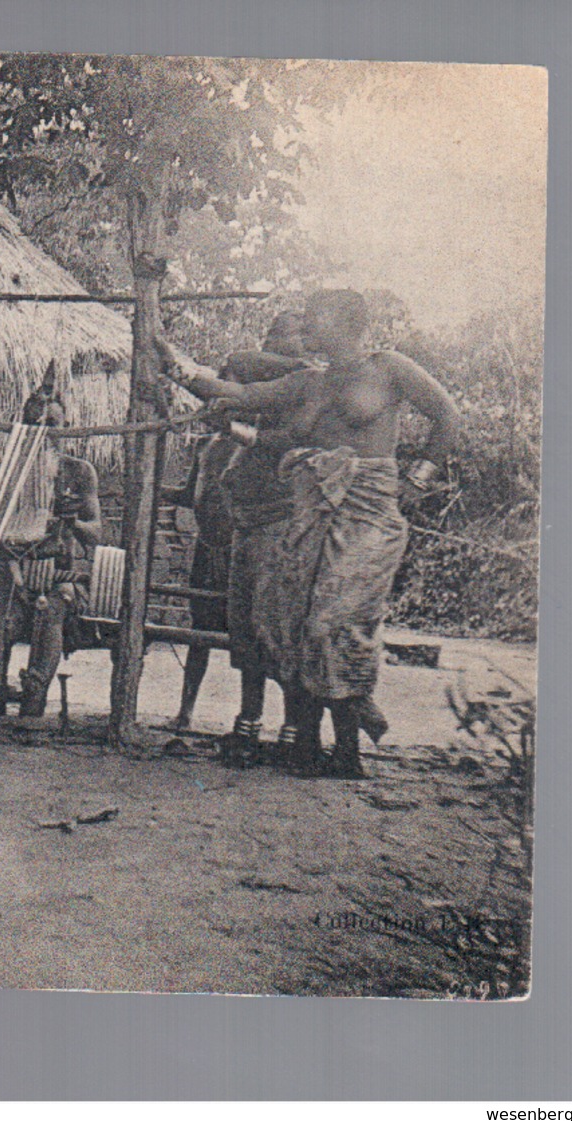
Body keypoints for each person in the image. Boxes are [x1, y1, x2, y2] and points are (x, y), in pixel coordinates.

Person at [161, 290, 462, 778]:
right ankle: (340, 749)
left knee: (335, 620)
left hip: (368, 509)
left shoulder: (388, 367)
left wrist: (418, 478)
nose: (305, 328)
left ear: (345, 322)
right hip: (311, 505)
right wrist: (173, 365)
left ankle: (354, 726)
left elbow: (447, 415)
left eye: (314, 318)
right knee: (299, 623)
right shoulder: (307, 382)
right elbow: (235, 395)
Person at [165, 312, 316, 747]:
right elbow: (245, 369)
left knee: (281, 631)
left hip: (282, 527)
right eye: (272, 337)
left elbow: (246, 365)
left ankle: (293, 730)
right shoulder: (266, 399)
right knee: (245, 633)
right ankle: (248, 723)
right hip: (243, 530)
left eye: (286, 337)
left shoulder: (308, 387)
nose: (273, 347)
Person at [0, 394, 104, 719]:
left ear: (66, 429)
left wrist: (71, 522)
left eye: (52, 425)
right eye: (34, 425)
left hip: (59, 577)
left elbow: (96, 534)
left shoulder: (79, 473)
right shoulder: (5, 474)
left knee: (52, 612)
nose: (43, 433)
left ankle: (34, 701)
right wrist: (6, 539)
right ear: (23, 429)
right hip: (10, 570)